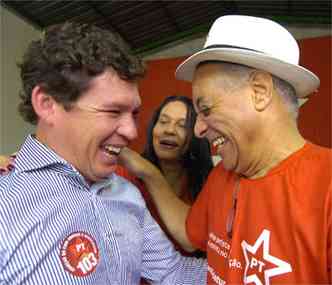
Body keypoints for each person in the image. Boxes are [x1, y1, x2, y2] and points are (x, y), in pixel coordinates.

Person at [118, 15, 332, 283]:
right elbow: (189, 232)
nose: (198, 130)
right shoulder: (223, 175)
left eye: (205, 110)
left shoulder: (326, 186)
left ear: (260, 92)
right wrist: (149, 173)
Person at [0, 22, 207, 284]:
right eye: (112, 112)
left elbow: (174, 273)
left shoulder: (127, 194)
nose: (132, 132)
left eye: (134, 114)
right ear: (47, 103)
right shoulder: (6, 202)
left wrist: (255, 269)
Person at [117, 95, 213, 256]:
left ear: (196, 136)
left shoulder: (208, 183)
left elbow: (194, 240)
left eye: (182, 125)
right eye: (163, 121)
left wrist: (151, 175)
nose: (169, 130)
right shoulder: (124, 177)